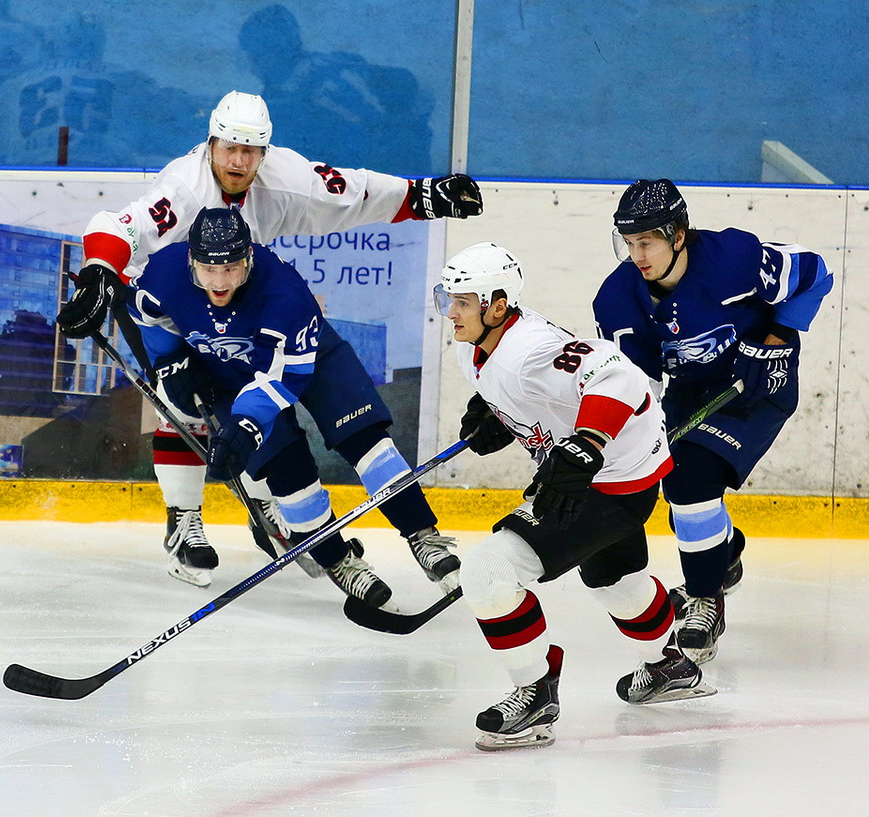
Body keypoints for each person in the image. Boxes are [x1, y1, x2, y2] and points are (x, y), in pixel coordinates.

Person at [57, 90, 480, 587]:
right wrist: (99, 275)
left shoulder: (286, 185)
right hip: (162, 295)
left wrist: (423, 196)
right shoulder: (184, 191)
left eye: (250, 150)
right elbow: (117, 227)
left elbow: (351, 193)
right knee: (184, 403)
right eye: (228, 147)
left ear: (265, 151)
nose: (238, 160)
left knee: (258, 419)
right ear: (210, 142)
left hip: (242, 300)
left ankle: (269, 503)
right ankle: (184, 520)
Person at [438, 243, 714, 752]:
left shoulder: (529, 348)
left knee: (489, 574)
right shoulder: (474, 344)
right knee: (616, 581)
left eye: (461, 301)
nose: (449, 312)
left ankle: (535, 693)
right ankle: (670, 665)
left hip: (610, 475)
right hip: (611, 472)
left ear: (498, 306)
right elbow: (529, 389)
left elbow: (620, 376)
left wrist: (587, 443)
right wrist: (492, 410)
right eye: (446, 298)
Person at [126, 207, 453, 606]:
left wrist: (246, 425)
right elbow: (145, 312)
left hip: (311, 361)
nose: (219, 281)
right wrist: (170, 359)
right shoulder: (163, 273)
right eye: (209, 270)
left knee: (366, 441)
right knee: (286, 469)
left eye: (231, 268)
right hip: (227, 375)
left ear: (248, 257)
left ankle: (422, 535)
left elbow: (284, 379)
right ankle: (338, 561)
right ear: (191, 260)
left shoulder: (284, 292)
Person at [595, 180, 834, 664]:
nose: (636, 254)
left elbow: (815, 273)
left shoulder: (735, 261)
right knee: (677, 484)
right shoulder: (616, 301)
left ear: (678, 234)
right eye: (629, 241)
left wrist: (778, 336)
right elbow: (637, 381)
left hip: (757, 386)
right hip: (689, 392)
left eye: (647, 241)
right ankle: (725, 554)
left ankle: (706, 599)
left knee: (689, 480)